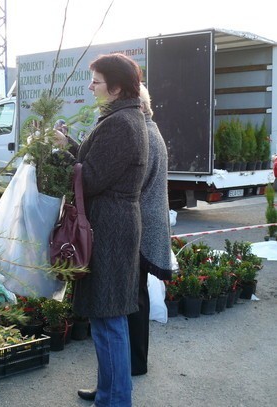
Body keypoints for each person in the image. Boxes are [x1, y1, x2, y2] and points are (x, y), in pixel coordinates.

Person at [73, 53, 149, 407]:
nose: (91, 87)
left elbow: (90, 178)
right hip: (113, 223)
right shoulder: (124, 117)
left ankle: (116, 400)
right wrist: (72, 150)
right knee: (106, 317)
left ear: (116, 88)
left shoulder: (121, 124)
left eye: (96, 81)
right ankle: (108, 391)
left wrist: (62, 158)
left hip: (111, 227)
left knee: (109, 318)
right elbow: (97, 166)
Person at [127, 83, 173, 377]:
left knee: (134, 298)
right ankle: (137, 362)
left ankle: (134, 363)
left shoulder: (144, 134)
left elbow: (131, 184)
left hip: (141, 226)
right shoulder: (151, 129)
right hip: (148, 223)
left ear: (139, 106)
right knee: (137, 295)